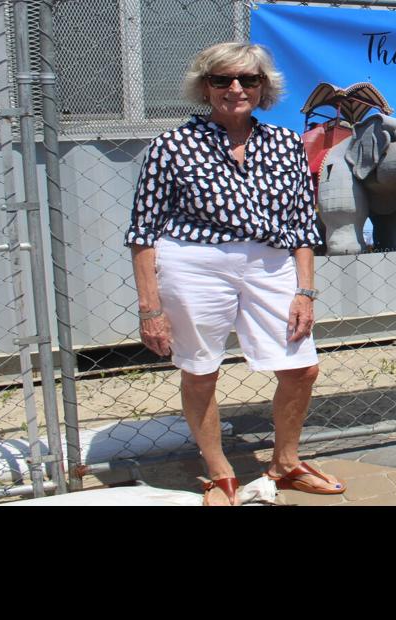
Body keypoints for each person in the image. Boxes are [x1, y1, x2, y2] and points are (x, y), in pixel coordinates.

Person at [126, 42, 343, 505]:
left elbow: (303, 224)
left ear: (264, 88)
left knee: (301, 367)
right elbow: (143, 233)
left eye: (249, 79)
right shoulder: (171, 146)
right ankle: (219, 472)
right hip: (194, 265)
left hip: (270, 264)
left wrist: (304, 290)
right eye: (222, 80)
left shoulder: (285, 144)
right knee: (201, 369)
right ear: (205, 88)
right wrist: (150, 309)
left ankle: (285, 463)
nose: (236, 88)